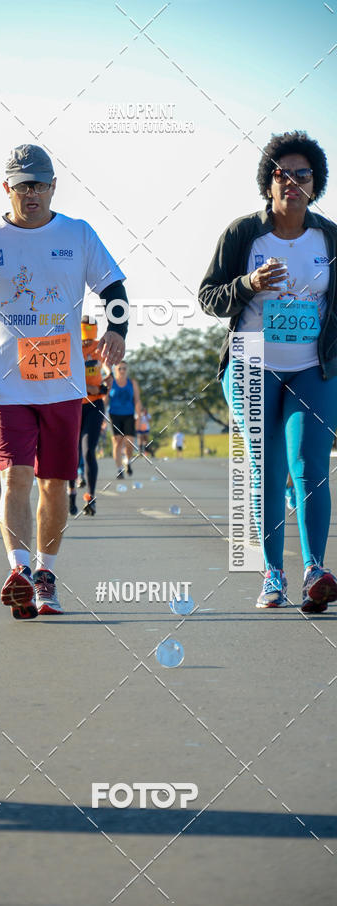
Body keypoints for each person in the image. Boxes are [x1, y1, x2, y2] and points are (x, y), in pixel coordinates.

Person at [0, 143, 128, 618]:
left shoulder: (78, 234)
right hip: (6, 385)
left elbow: (113, 288)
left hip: (63, 384)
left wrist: (117, 329)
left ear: (53, 187)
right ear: (7, 188)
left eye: (40, 184)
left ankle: (45, 572)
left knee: (54, 484)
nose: (32, 193)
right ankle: (20, 569)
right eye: (23, 184)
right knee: (15, 476)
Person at [199, 130, 337, 612]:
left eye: (303, 174)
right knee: (267, 470)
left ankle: (315, 570)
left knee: (310, 466)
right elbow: (209, 297)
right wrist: (248, 283)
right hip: (252, 363)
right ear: (269, 183)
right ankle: (273, 575)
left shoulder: (329, 237)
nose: (292, 182)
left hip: (313, 369)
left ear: (314, 184)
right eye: (283, 174)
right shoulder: (243, 234)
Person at [68, 316, 110, 516]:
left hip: (95, 406)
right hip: (74, 406)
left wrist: (105, 382)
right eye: (84, 339)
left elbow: (109, 369)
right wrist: (89, 387)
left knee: (87, 451)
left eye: (88, 339)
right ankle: (71, 494)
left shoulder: (99, 347)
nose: (86, 343)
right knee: (71, 452)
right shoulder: (71, 346)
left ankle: (90, 497)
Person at [107, 362, 141, 478]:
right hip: (114, 414)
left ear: (127, 370)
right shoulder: (111, 383)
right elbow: (105, 399)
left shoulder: (132, 383)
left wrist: (139, 416)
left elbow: (137, 400)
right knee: (117, 441)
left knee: (129, 441)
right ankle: (119, 469)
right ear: (116, 370)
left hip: (129, 414)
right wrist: (100, 415)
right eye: (120, 368)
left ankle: (128, 461)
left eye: (124, 368)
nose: (122, 371)